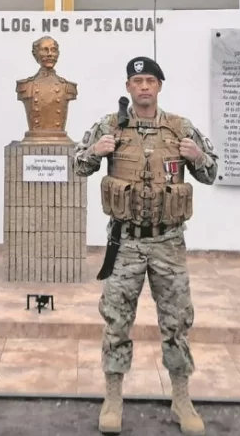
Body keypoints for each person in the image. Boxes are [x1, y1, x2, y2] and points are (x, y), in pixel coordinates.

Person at [73, 56, 218, 436]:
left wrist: (198, 157)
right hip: (126, 244)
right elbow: (78, 165)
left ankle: (181, 399)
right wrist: (95, 153)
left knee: (176, 322)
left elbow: (212, 172)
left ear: (159, 87)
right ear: (127, 88)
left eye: (150, 80)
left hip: (169, 243)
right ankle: (113, 397)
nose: (143, 87)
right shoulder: (110, 126)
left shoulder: (180, 128)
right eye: (137, 81)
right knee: (117, 321)